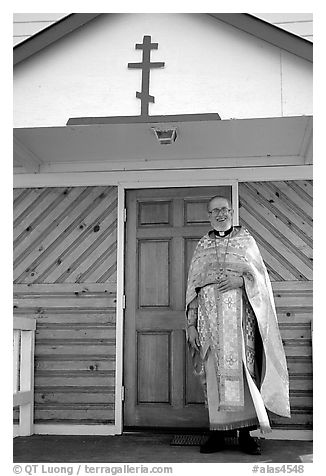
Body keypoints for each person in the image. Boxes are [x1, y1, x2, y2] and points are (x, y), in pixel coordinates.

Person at [185, 195, 290, 454]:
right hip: (210, 325)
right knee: (213, 375)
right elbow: (192, 289)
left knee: (243, 376)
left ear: (232, 212)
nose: (220, 214)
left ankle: (245, 436)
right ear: (208, 216)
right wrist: (190, 325)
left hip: (240, 327)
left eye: (224, 209)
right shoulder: (202, 245)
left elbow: (260, 280)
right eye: (215, 211)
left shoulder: (246, 242)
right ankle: (218, 435)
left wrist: (241, 282)